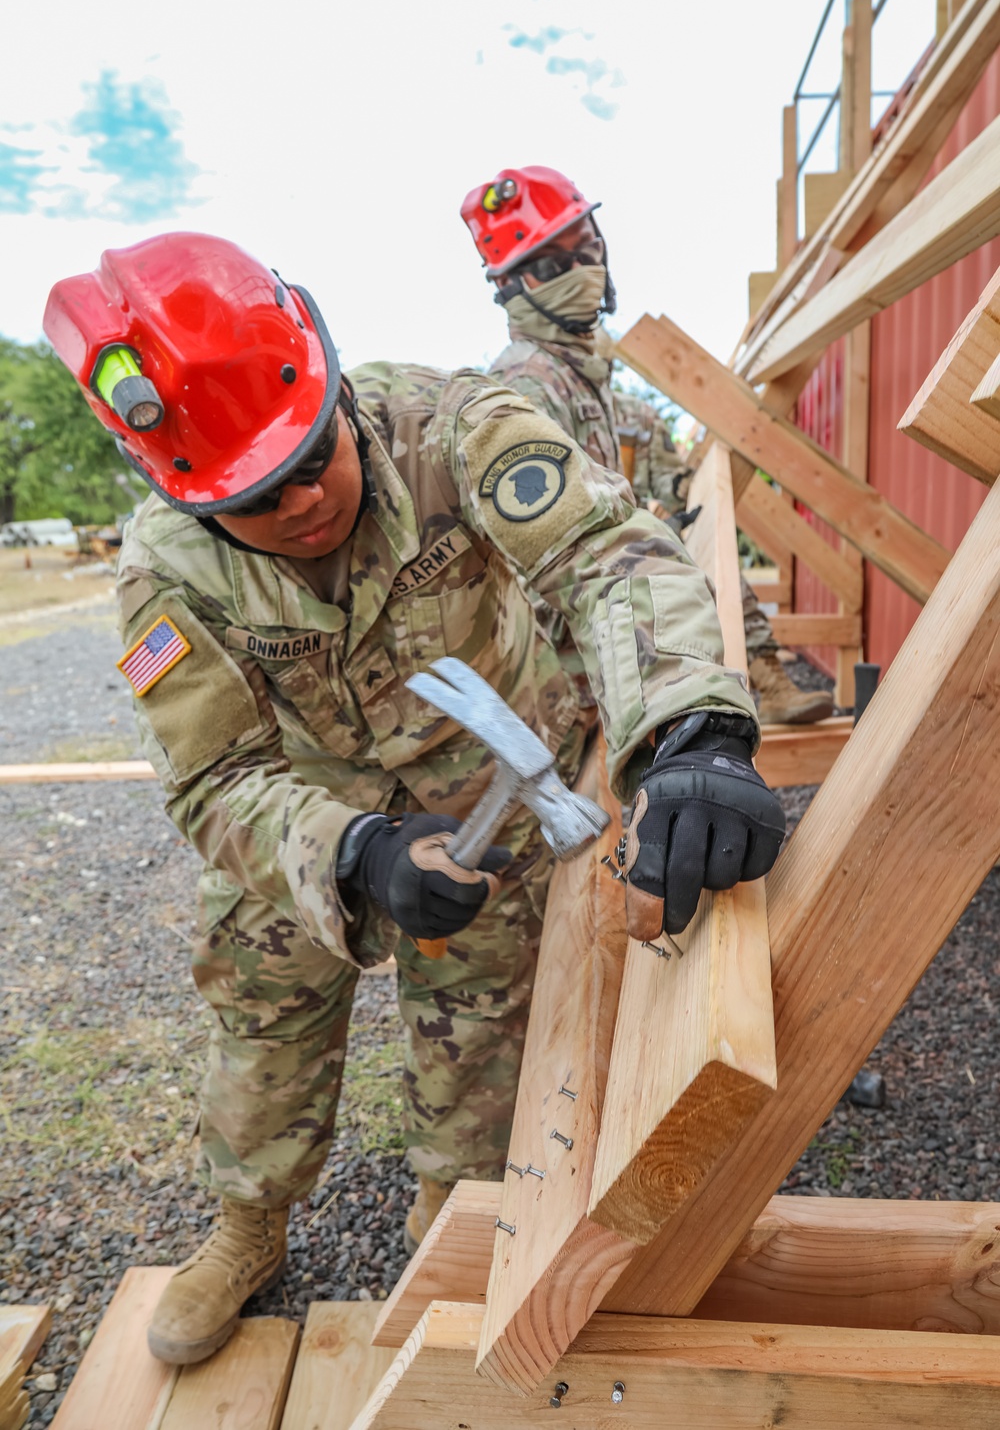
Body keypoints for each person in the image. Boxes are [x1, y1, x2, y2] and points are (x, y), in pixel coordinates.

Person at [44, 232, 785, 1366]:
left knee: (484, 1036)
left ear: (336, 389)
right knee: (261, 1022)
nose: (299, 505)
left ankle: (451, 1221)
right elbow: (212, 780)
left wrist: (690, 727)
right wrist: (353, 853)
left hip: (488, 779)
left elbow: (605, 554)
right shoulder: (164, 569)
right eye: (254, 498)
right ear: (182, 495)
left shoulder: (455, 425)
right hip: (304, 814)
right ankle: (249, 1223)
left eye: (312, 460)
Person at [461, 166, 834, 727]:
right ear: (509, 287)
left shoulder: (588, 375)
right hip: (572, 668)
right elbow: (547, 571)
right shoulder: (527, 387)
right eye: (552, 265)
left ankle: (758, 672)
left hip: (612, 630)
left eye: (586, 249)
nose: (581, 270)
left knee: (690, 523)